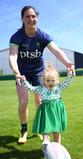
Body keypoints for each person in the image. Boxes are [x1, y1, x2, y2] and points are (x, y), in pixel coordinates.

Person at [9, 5, 75, 144]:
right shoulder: (17, 36)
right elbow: (13, 56)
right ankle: (24, 130)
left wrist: (68, 63)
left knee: (40, 102)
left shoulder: (43, 35)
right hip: (22, 74)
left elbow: (56, 51)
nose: (31, 19)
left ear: (37, 18)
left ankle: (41, 129)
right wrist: (16, 72)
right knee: (23, 101)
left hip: (39, 72)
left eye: (33, 16)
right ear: (22, 19)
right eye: (27, 16)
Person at [21, 63, 73, 145]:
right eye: (48, 80)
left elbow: (67, 83)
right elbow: (31, 88)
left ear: (57, 80)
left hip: (57, 110)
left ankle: (57, 146)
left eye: (53, 80)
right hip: (46, 110)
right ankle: (46, 142)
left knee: (57, 129)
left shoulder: (59, 87)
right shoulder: (41, 89)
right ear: (44, 80)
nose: (50, 83)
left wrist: (69, 75)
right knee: (46, 127)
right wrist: (24, 81)